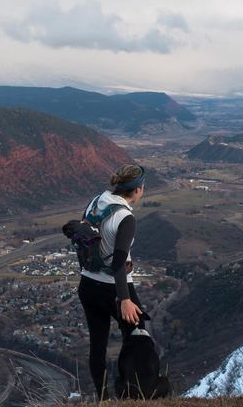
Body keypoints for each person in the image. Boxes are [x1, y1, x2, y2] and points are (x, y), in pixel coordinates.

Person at [78, 164, 147, 400]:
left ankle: (103, 399)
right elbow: (119, 262)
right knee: (137, 336)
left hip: (87, 285)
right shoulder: (126, 217)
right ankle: (131, 394)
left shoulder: (96, 202)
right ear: (138, 189)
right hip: (115, 288)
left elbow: (83, 237)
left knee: (98, 344)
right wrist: (124, 299)